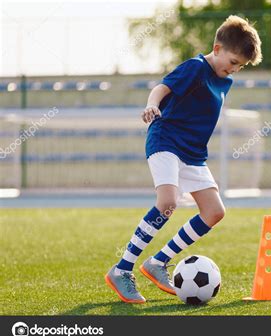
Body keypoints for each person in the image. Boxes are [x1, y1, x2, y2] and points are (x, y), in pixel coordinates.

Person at [105, 15, 262, 303]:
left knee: (214, 211)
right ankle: (121, 269)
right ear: (217, 48)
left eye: (240, 66)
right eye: (233, 61)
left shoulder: (224, 81)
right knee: (167, 202)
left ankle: (157, 262)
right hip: (166, 139)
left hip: (192, 154)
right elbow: (161, 88)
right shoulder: (195, 67)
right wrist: (152, 105)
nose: (235, 69)